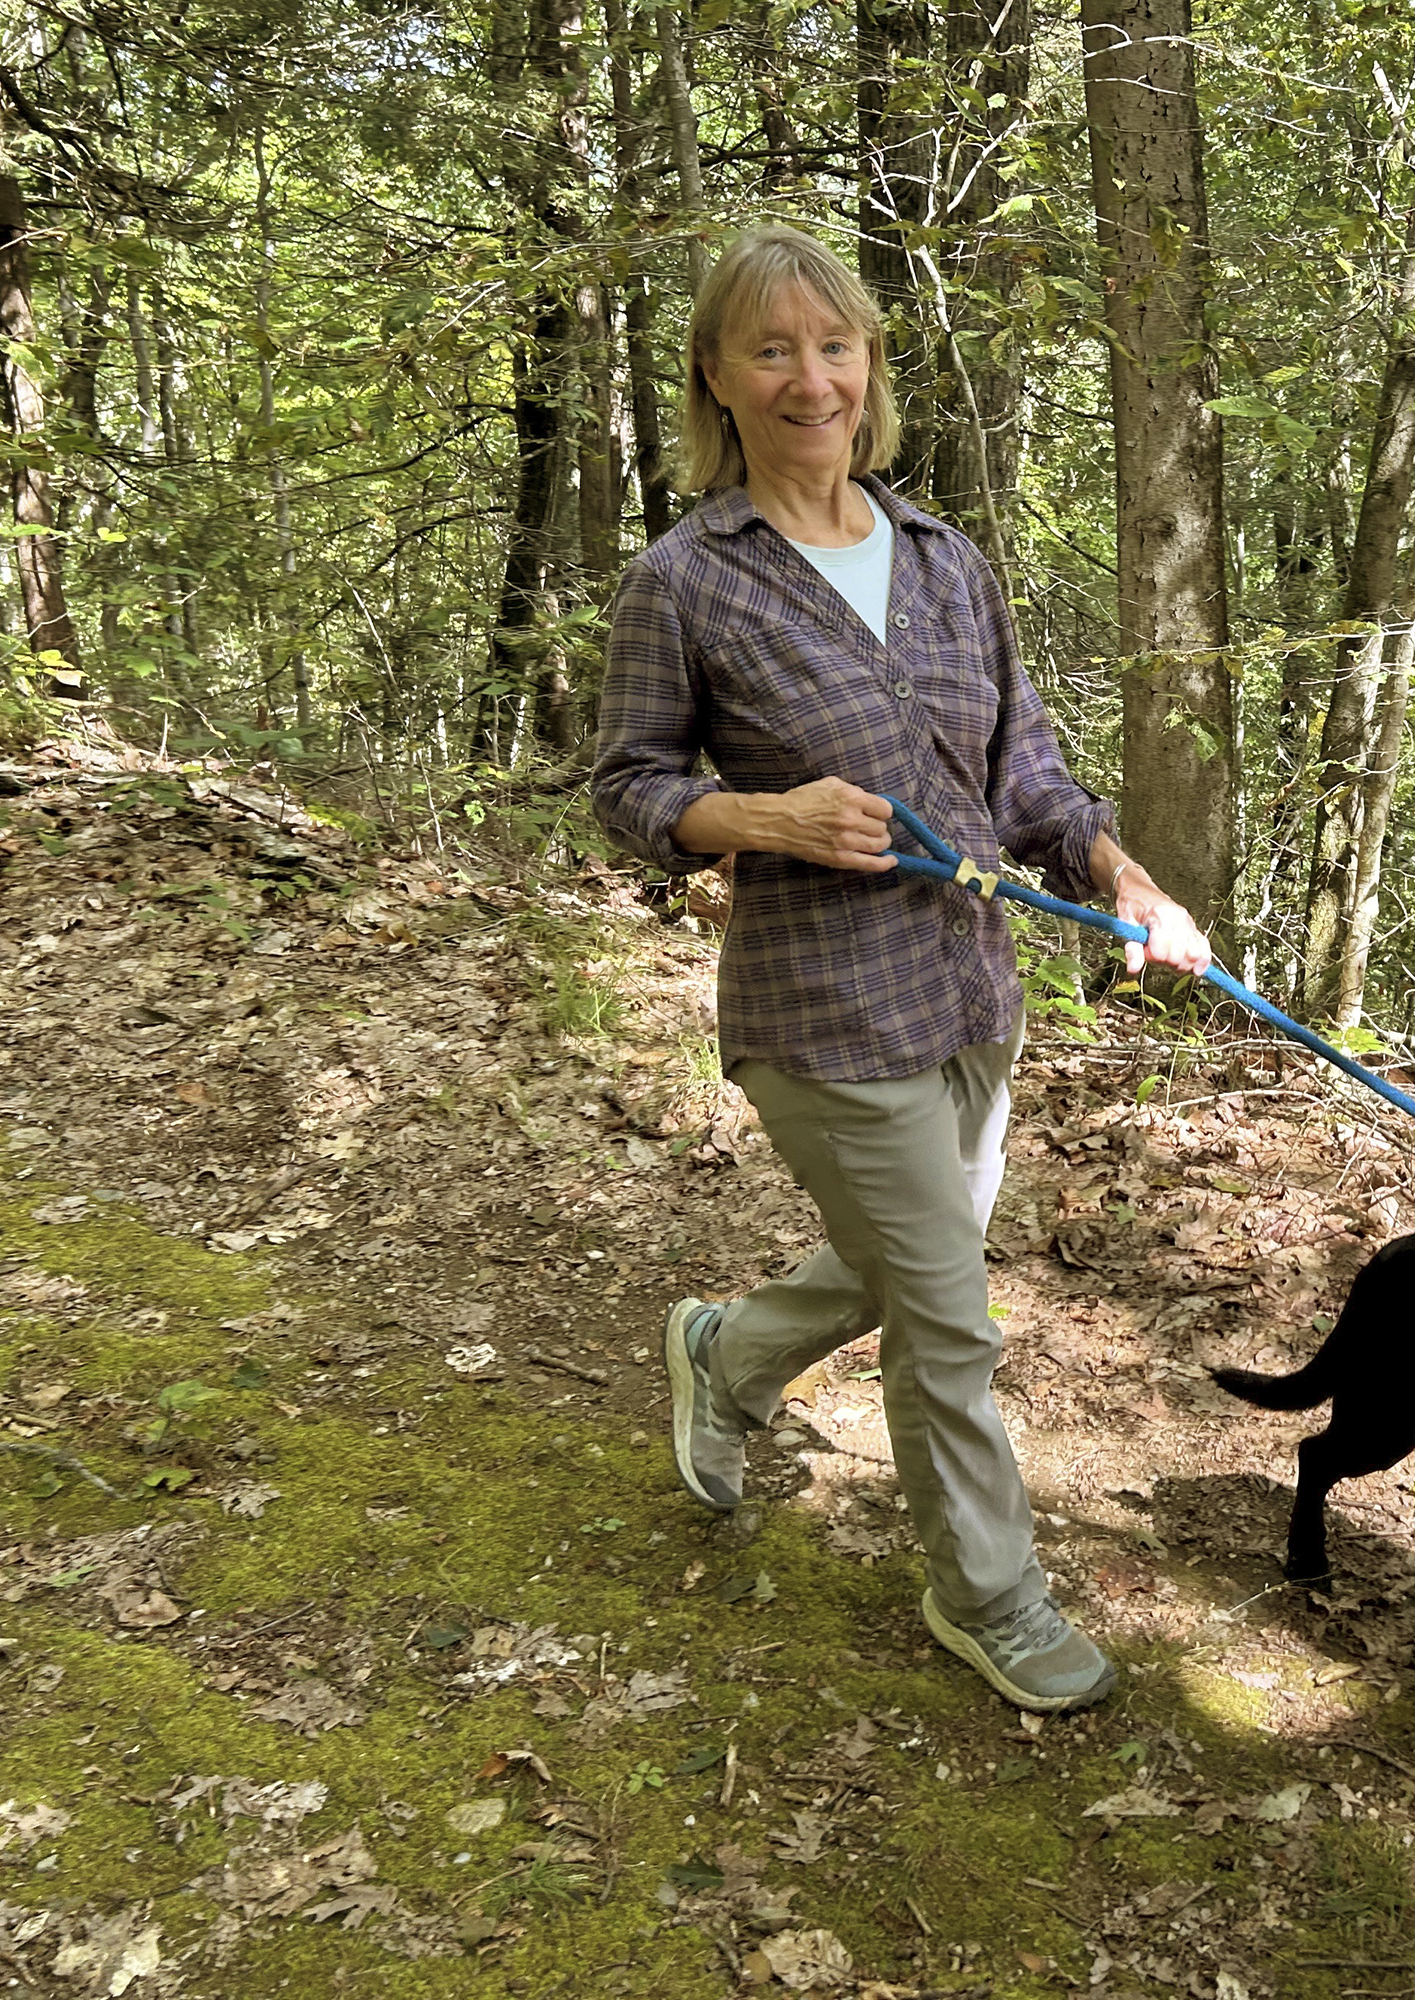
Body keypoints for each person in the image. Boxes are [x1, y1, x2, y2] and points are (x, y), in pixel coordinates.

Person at [589, 223, 1211, 1714]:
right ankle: (989, 1595)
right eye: (773, 348)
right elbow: (626, 786)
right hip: (822, 1012)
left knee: (897, 1265)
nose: (812, 378)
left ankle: (726, 1358)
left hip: (971, 992)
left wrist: (1127, 886)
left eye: (836, 344)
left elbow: (1030, 776)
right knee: (947, 1314)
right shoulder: (687, 580)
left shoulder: (943, 558)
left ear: (870, 367)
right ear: (715, 376)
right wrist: (757, 818)